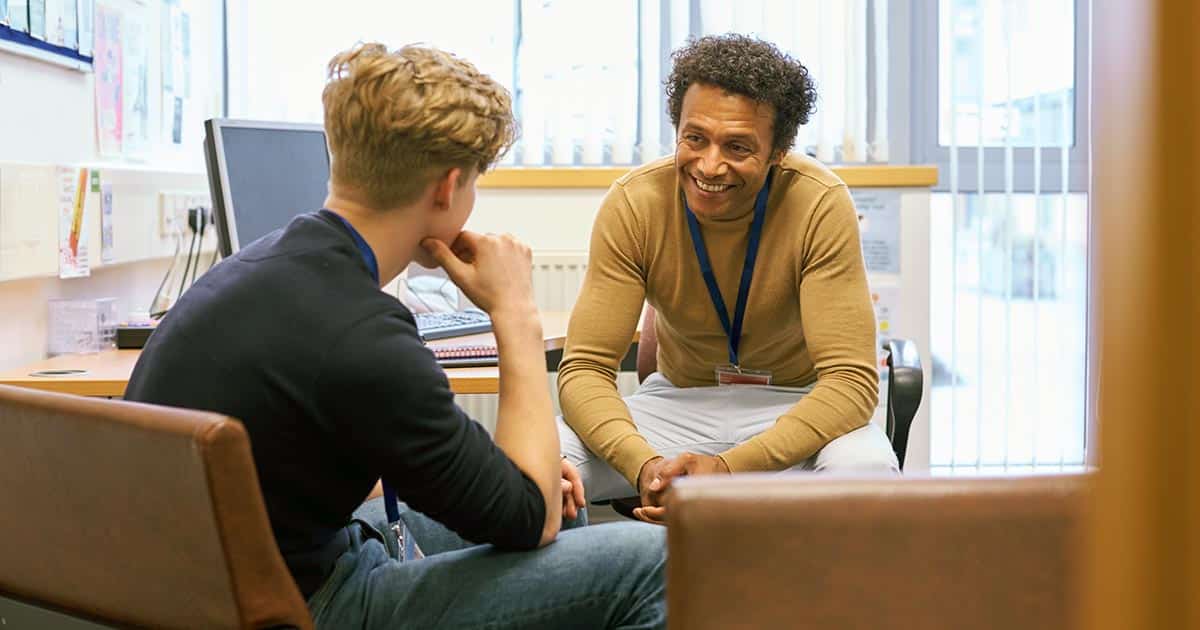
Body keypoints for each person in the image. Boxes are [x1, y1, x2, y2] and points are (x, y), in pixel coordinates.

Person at [126, 42, 665, 628]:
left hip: (213, 585)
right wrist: (515, 311)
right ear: (446, 188)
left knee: (567, 507)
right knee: (661, 561)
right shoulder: (364, 336)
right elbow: (528, 518)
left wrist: (521, 484)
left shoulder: (257, 268)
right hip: (305, 605)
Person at [557, 34, 899, 524]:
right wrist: (646, 467)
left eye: (737, 146)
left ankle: (817, 603)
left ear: (778, 151)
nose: (710, 165)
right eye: (695, 138)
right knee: (541, 462)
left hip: (796, 406)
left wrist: (730, 469)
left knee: (867, 477)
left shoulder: (819, 203)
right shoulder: (635, 203)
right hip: (677, 406)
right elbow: (585, 370)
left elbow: (850, 383)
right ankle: (594, 594)